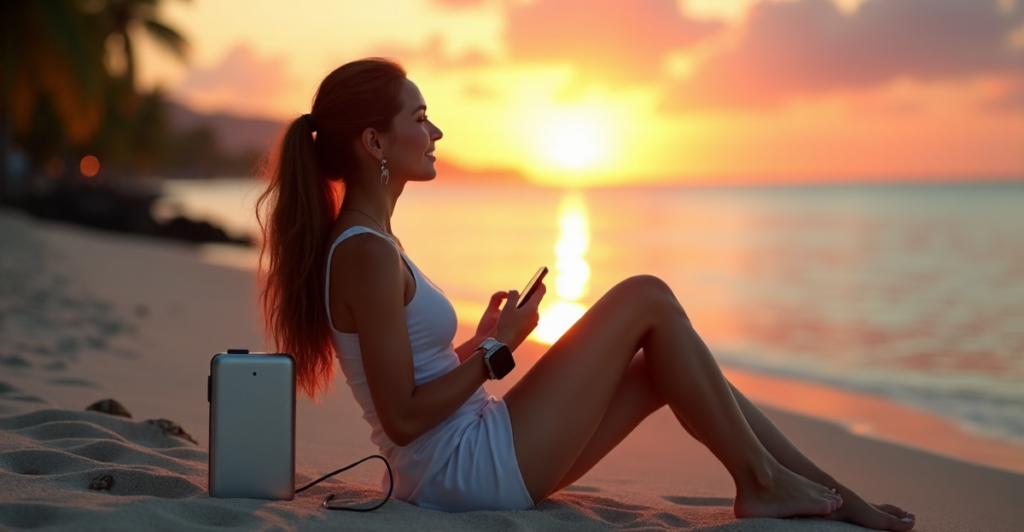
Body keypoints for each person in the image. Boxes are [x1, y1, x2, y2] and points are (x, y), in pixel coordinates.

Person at [256, 58, 915, 530]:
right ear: (374, 141)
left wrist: (477, 343)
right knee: (646, 296)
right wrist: (496, 350)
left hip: (459, 451)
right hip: (458, 471)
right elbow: (401, 418)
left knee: (663, 362)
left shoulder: (373, 241)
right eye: (421, 118)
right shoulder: (366, 251)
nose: (436, 134)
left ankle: (814, 488)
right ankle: (769, 484)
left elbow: (407, 380)